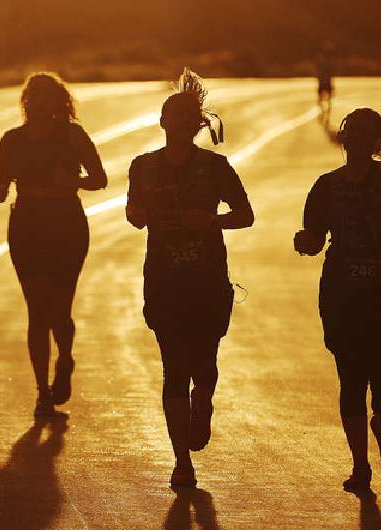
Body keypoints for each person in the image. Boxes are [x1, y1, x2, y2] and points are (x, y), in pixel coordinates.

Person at [126, 69, 254, 489]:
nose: (179, 126)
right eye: (173, 118)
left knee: (205, 363)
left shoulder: (215, 168)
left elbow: (245, 215)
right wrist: (138, 215)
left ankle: (204, 401)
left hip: (207, 281)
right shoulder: (143, 167)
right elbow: (133, 212)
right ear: (162, 122)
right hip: (164, 282)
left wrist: (211, 221)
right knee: (173, 369)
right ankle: (182, 462)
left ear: (196, 125)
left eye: (187, 120)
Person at [294, 107, 381, 494]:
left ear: (372, 142)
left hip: (380, 296)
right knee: (359, 379)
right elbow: (313, 239)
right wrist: (305, 242)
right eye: (353, 134)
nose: (354, 141)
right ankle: (362, 461)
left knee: (374, 380)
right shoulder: (329, 186)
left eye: (360, 134)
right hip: (347, 298)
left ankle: (377, 433)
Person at [0, 73, 107, 418]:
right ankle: (42, 392)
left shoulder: (73, 135)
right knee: (37, 311)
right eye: (34, 95)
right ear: (26, 100)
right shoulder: (12, 140)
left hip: (65, 225)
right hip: (27, 225)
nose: (40, 101)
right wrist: (4, 180)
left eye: (47, 95)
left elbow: (100, 179)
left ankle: (66, 359)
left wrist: (73, 181)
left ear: (59, 101)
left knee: (59, 310)